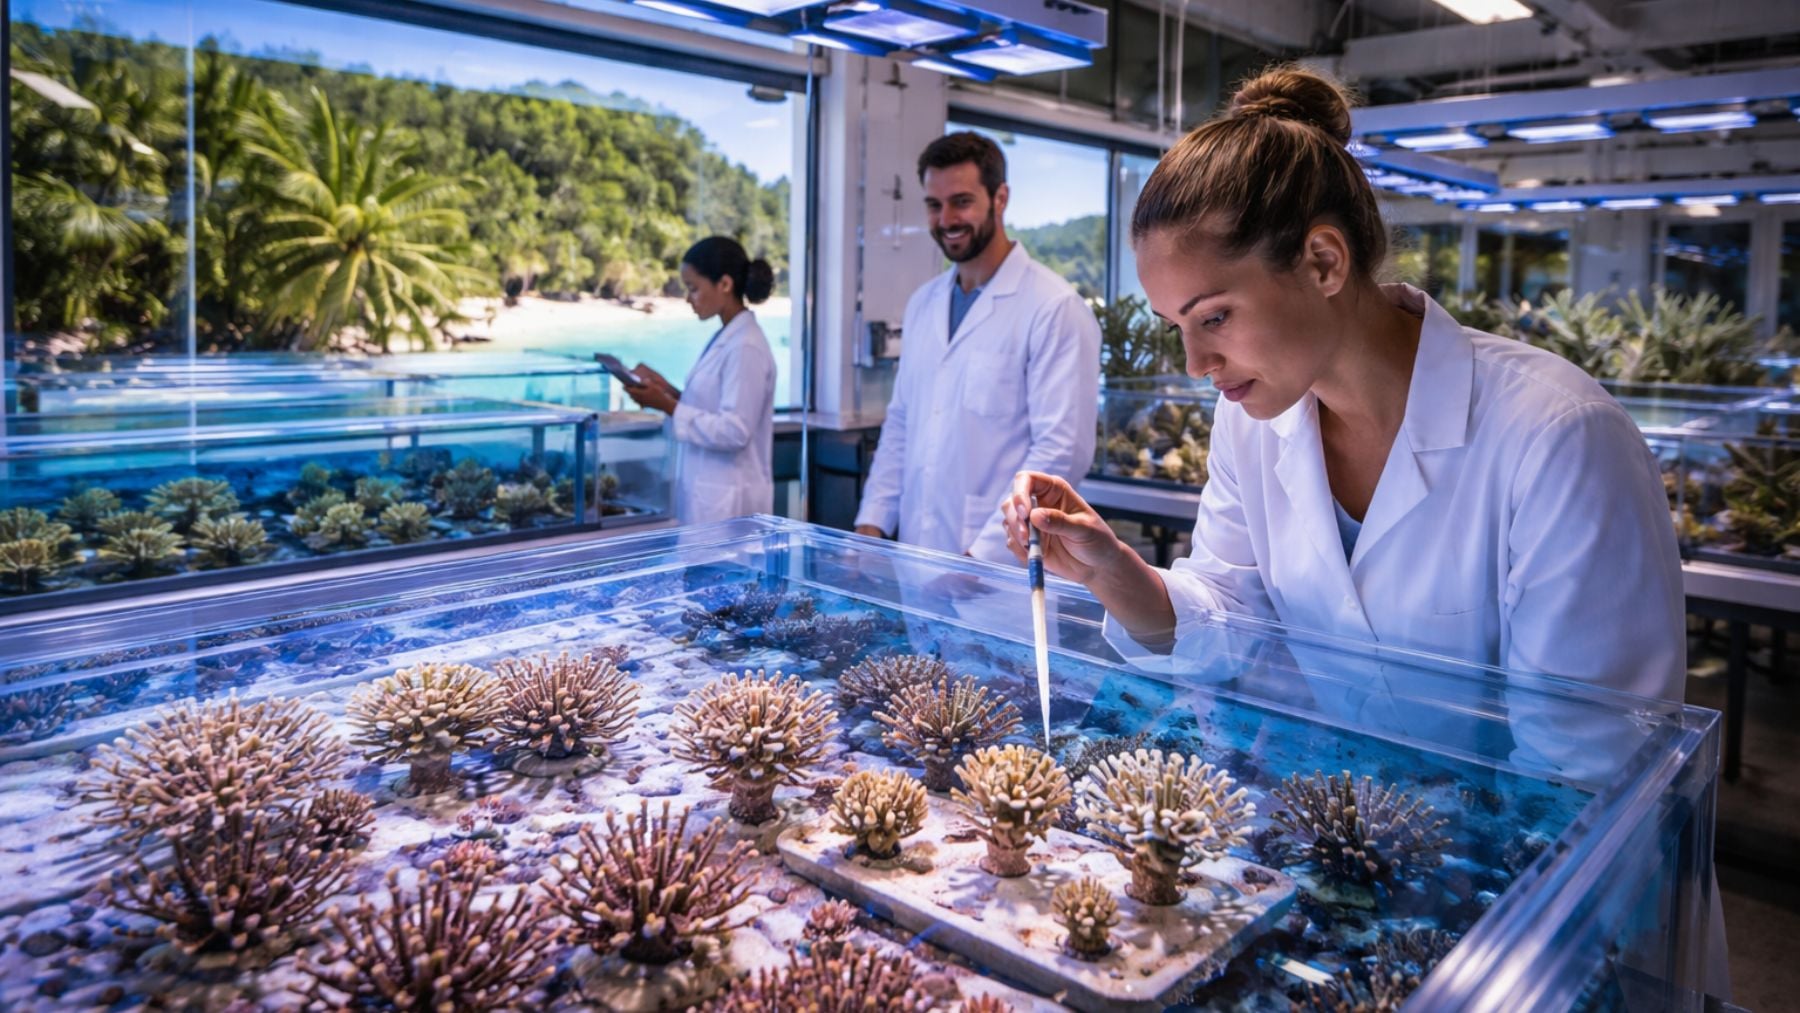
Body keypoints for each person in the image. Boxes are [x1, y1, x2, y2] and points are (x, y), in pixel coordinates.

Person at [999, 66, 1728, 996]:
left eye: (1215, 316)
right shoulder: (1255, 421)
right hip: (1372, 880)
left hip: (1562, 935)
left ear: (1324, 262)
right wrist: (1110, 569)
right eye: (1176, 325)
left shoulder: (1555, 439)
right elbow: (1228, 612)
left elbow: (1584, 787)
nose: (1194, 362)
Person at [853, 131, 1100, 564]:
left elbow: (1060, 450)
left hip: (1001, 569)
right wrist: (870, 525)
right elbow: (901, 424)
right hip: (918, 554)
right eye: (934, 204)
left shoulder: (1054, 307)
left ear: (999, 198)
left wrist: (981, 558)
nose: (946, 218)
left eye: (961, 201)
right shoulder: (922, 304)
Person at [624, 236, 776, 525]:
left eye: (693, 288)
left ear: (725, 284)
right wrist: (665, 390)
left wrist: (668, 406)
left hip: (731, 506)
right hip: (710, 498)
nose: (688, 299)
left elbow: (734, 430)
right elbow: (710, 407)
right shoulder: (728, 337)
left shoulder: (746, 346)